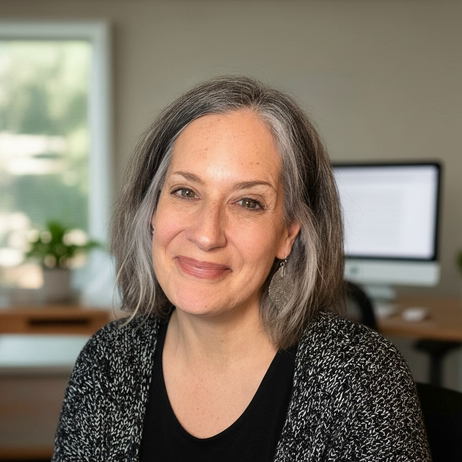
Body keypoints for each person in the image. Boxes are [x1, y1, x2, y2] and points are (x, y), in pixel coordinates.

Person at [52, 76, 430, 461]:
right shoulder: (108, 361)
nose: (206, 234)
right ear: (152, 210)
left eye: (248, 202)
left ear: (287, 234)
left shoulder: (360, 376)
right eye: (185, 192)